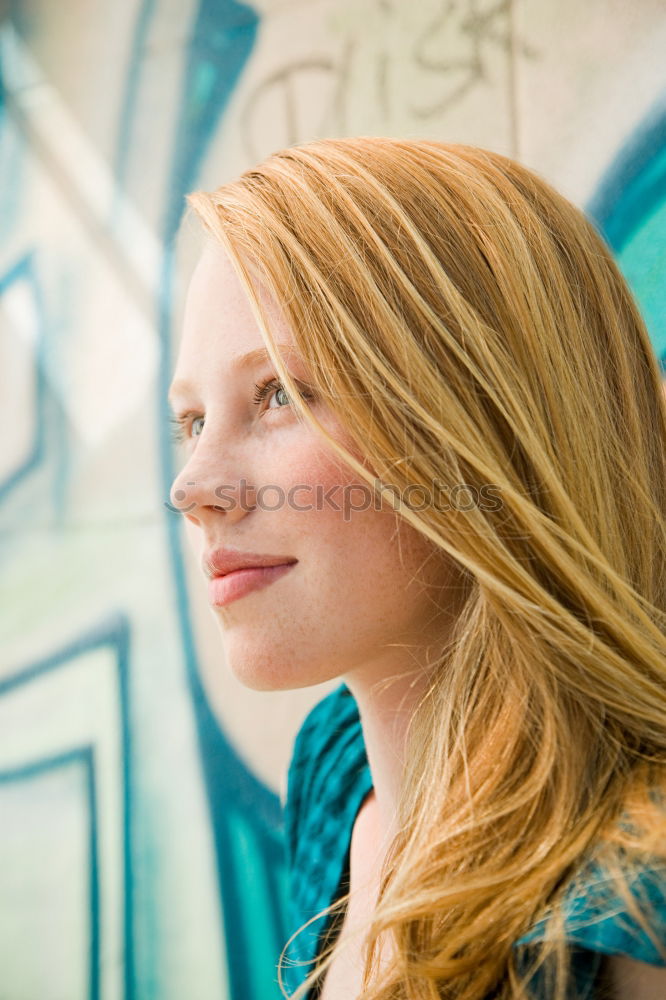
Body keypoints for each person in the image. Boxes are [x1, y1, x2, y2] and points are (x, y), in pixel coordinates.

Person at [168, 137, 666, 1000]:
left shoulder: (626, 909)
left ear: (484, 422)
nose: (193, 486)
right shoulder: (334, 770)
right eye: (190, 419)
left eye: (279, 391)